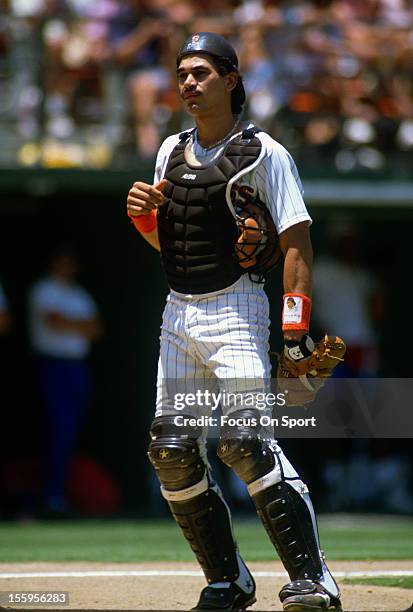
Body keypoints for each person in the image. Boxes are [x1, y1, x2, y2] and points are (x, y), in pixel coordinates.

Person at [127, 32, 341, 612]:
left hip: (237, 309)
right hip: (179, 312)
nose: (189, 83)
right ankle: (228, 581)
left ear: (231, 79)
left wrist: (295, 335)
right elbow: (172, 246)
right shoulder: (170, 149)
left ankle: (314, 581)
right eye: (182, 75)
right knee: (171, 449)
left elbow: (297, 245)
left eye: (200, 72)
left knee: (245, 441)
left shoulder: (265, 152)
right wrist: (143, 220)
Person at [28, 248, 102, 515]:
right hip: (52, 365)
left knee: (70, 432)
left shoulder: (78, 294)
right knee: (56, 429)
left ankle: (60, 493)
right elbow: (52, 321)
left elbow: (95, 330)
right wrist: (78, 324)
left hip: (76, 367)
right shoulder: (43, 290)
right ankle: (49, 495)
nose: (67, 267)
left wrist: (72, 324)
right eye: (63, 262)